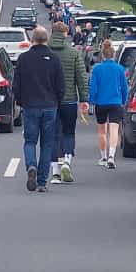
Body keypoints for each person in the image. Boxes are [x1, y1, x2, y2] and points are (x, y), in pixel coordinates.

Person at [13, 26, 65, 192]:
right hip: (50, 106)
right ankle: (42, 182)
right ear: (46, 40)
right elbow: (61, 86)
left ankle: (31, 166)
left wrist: (21, 102)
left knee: (30, 141)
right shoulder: (54, 59)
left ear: (32, 40)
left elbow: (17, 85)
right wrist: (57, 101)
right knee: (47, 144)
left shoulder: (23, 59)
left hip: (30, 106)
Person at [47, 21, 88, 184]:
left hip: (49, 101)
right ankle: (67, 161)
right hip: (69, 101)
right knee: (69, 133)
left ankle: (55, 172)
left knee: (52, 135)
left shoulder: (46, 53)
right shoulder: (73, 53)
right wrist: (84, 99)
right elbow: (81, 77)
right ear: (65, 34)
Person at [88, 38, 129, 169]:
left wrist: (91, 102)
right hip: (115, 102)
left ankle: (103, 156)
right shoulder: (120, 69)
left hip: (101, 103)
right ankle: (111, 156)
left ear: (102, 55)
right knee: (114, 130)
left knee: (102, 130)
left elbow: (93, 88)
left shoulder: (97, 69)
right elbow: (124, 88)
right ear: (114, 55)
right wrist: (123, 101)